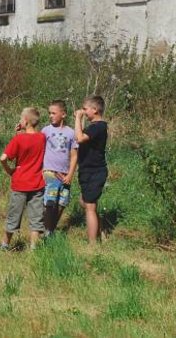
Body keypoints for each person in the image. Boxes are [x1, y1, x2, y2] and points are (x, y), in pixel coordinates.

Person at [0, 107, 46, 251]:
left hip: (20, 183)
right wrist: (20, 133)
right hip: (37, 183)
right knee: (36, 218)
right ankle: (33, 248)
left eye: (21, 119)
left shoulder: (18, 139)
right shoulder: (42, 137)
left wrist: (10, 170)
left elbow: (3, 158)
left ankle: (5, 245)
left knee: (14, 215)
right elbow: (30, 143)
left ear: (25, 121)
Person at [74, 95, 108, 245]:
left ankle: (93, 244)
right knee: (85, 202)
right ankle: (100, 228)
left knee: (89, 206)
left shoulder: (98, 126)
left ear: (95, 110)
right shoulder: (93, 127)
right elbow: (80, 135)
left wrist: (77, 118)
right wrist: (80, 119)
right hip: (87, 170)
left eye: (85, 109)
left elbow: (80, 138)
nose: (83, 111)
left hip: (95, 171)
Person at [41, 100, 78, 237]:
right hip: (50, 172)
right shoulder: (46, 130)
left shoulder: (71, 133)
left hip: (64, 174)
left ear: (63, 114)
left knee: (62, 202)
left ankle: (51, 228)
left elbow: (74, 155)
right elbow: (39, 150)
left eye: (53, 113)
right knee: (50, 202)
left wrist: (70, 174)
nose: (50, 116)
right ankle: (47, 231)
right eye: (49, 113)